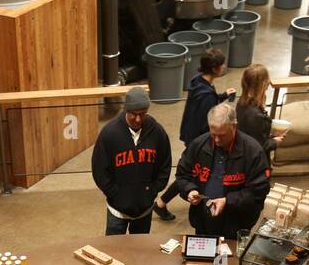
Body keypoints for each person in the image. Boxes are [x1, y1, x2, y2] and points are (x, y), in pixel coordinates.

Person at [153, 48, 236, 221]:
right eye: (222, 64)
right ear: (215, 68)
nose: (224, 66)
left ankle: (161, 203)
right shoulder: (205, 94)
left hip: (190, 135)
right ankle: (160, 203)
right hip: (197, 141)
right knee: (190, 175)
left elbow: (207, 105)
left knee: (189, 174)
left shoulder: (198, 82)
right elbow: (205, 120)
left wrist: (221, 96)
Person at [174, 102, 271, 238]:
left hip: (236, 225)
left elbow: (259, 191)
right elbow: (182, 174)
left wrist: (227, 201)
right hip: (203, 222)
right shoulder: (198, 145)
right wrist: (190, 190)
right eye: (213, 134)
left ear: (234, 126)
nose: (217, 140)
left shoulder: (253, 152)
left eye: (222, 135)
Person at [91, 86, 172, 236]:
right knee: (114, 251)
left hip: (144, 210)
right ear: (125, 111)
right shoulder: (109, 133)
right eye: (133, 114)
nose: (138, 119)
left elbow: (165, 165)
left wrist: (153, 191)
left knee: (139, 252)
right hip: (117, 211)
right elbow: (99, 169)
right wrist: (115, 193)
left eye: (143, 114)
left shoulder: (157, 132)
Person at [234, 64, 286, 155]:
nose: (269, 82)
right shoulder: (255, 115)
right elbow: (258, 146)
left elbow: (252, 133)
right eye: (267, 80)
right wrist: (275, 142)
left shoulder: (242, 102)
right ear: (262, 84)